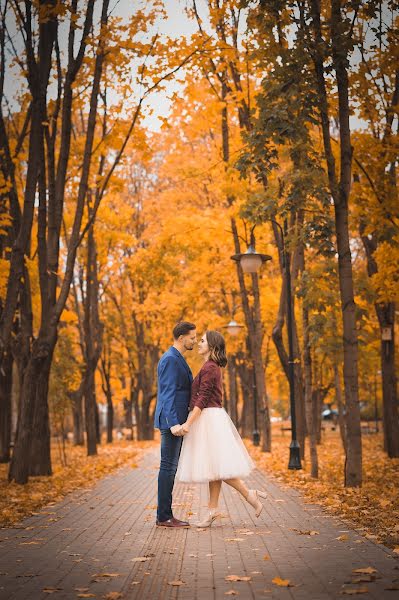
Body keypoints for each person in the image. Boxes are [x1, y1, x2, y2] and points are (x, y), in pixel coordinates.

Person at [175, 330, 267, 527]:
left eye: (202, 341)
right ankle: (213, 510)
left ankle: (247, 496)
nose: (199, 343)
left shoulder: (210, 367)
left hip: (209, 418)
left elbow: (203, 398)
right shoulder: (210, 366)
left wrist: (188, 424)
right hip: (210, 417)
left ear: (212, 346)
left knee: (216, 467)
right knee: (214, 468)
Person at [154, 321, 197, 528]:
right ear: (181, 338)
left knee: (169, 467)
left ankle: (165, 515)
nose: (195, 341)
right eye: (192, 337)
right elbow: (167, 393)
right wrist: (173, 423)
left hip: (175, 420)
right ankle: (164, 516)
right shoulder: (171, 359)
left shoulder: (176, 358)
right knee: (168, 468)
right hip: (172, 421)